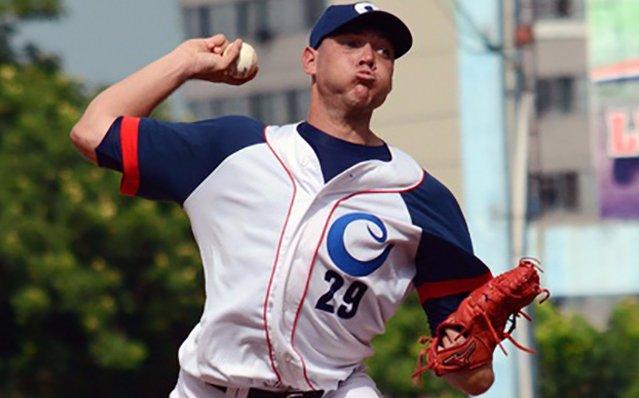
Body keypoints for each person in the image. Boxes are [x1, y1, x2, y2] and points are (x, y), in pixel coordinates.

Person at [70, 2, 495, 397]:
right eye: (350, 44)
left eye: (384, 51)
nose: (368, 57)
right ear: (309, 60)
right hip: (208, 387)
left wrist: (469, 352)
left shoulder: (421, 197)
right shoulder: (232, 149)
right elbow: (92, 131)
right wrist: (184, 64)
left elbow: (473, 379)